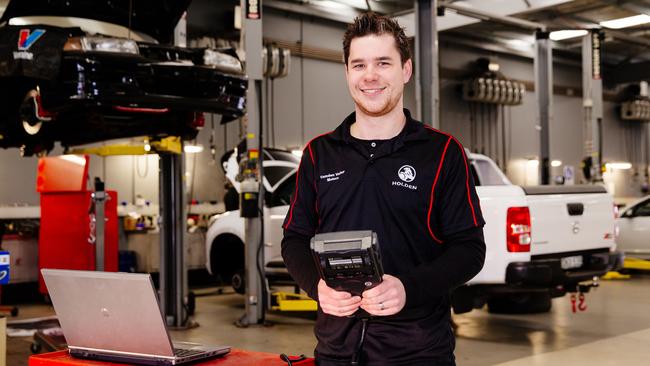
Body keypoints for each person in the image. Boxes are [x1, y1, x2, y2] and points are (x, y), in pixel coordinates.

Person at [281, 12, 486, 366]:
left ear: (405, 70)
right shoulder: (319, 153)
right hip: (335, 351)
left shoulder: (441, 152)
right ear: (347, 73)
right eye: (358, 65)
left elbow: (469, 249)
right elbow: (294, 239)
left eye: (383, 63)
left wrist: (408, 288)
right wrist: (318, 288)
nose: (370, 76)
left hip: (418, 351)